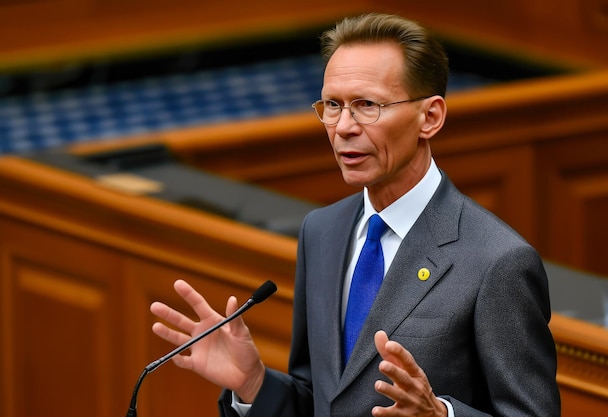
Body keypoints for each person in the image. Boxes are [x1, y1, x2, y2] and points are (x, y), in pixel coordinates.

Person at [150, 12, 561, 417]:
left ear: (430, 117)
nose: (343, 126)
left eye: (367, 105)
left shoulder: (497, 261)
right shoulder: (323, 231)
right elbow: (326, 401)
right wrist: (254, 383)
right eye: (332, 105)